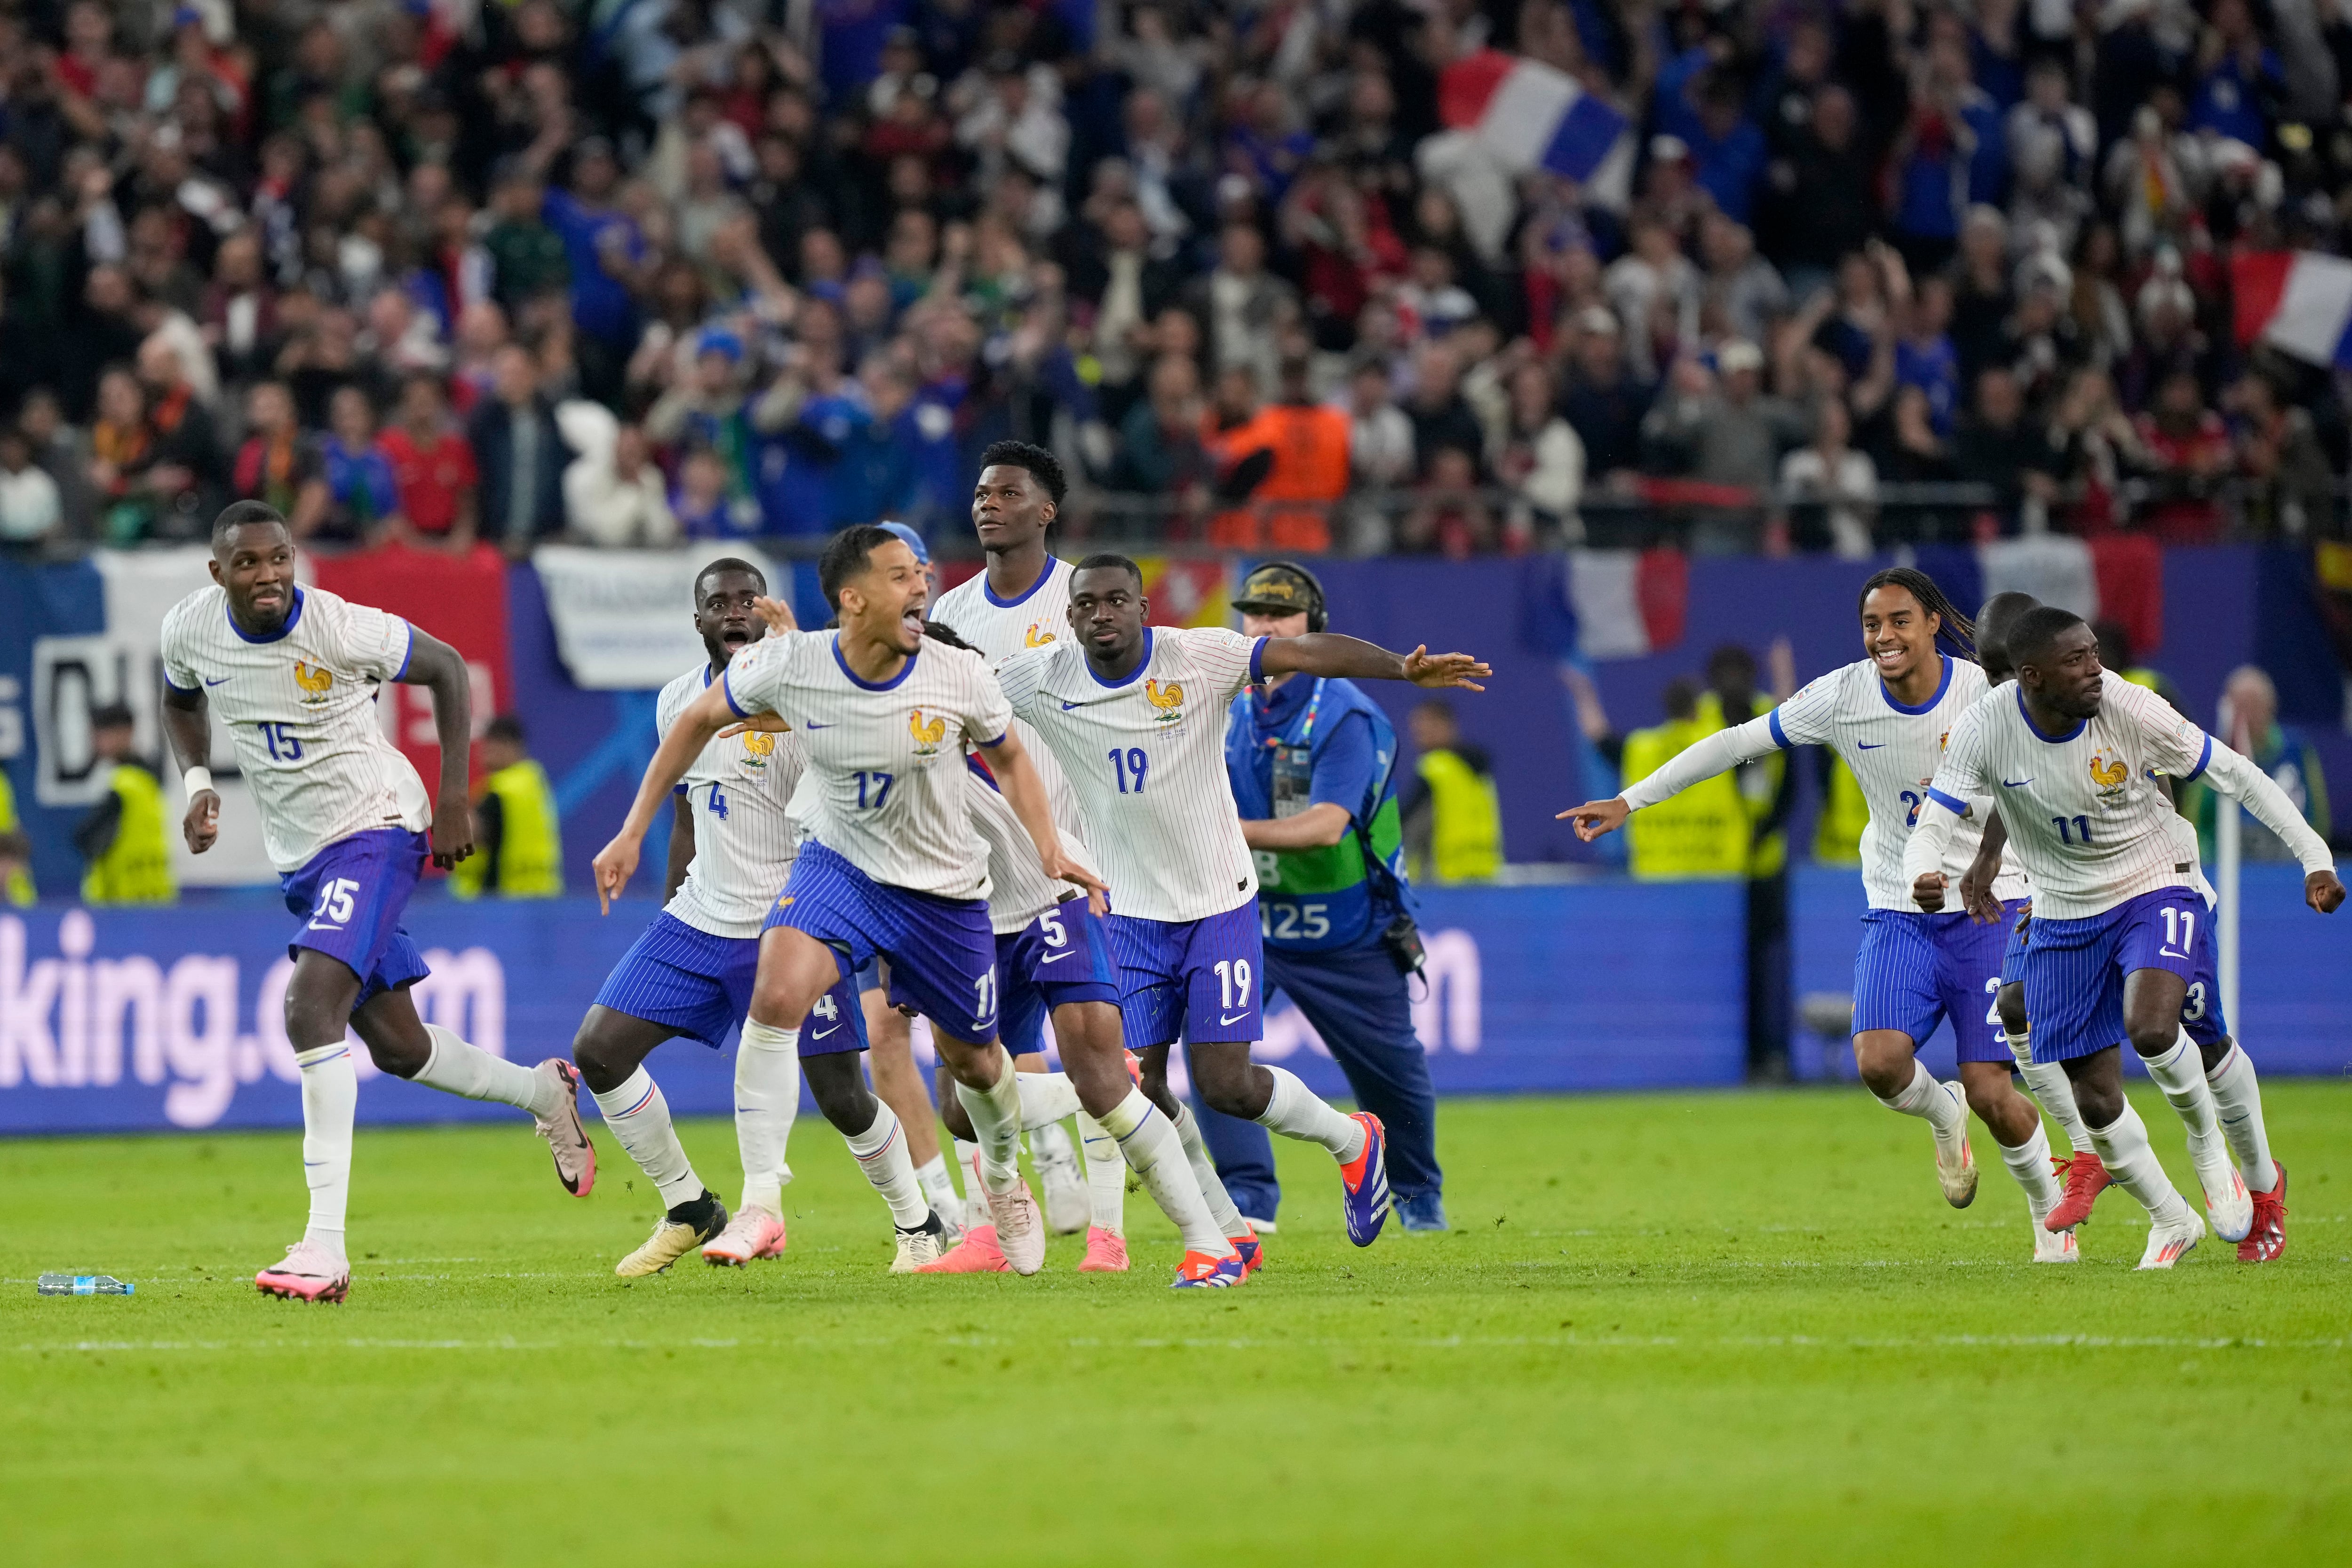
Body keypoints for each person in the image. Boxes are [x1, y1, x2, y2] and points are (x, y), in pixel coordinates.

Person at [589, 527, 1237, 1284]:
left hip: (950, 894)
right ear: (853, 597)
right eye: (903, 575)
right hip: (842, 869)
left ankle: (1003, 1181)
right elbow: (701, 720)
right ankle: (762, 1200)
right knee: (777, 992)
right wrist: (632, 830)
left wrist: (1053, 845)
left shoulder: (957, 674)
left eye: (921, 573)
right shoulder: (794, 663)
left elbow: (1013, 759)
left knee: (975, 1074)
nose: (922, 585)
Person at [1563, 569, 2077, 1260]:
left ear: (1932, 624)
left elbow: (2038, 782)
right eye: (1872, 625)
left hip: (1992, 904)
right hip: (1900, 905)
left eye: (1899, 621)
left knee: (1993, 1087)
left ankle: (2051, 1222)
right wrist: (1630, 800)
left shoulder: (1985, 694)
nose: (1884, 637)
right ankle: (1940, 1109)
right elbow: (1734, 743)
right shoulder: (1843, 695)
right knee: (1881, 1064)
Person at [159, 501, 596, 1304]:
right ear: (218, 573)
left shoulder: (338, 625)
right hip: (304, 857)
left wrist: (456, 794)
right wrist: (196, 783)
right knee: (400, 1047)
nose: (268, 576)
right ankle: (546, 1092)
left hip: (378, 826)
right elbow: (181, 698)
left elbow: (448, 666)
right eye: (248, 564)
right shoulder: (189, 628)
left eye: (279, 558)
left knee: (308, 1004)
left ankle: (323, 1245)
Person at [995, 553, 1490, 1250]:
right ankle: (1231, 1230)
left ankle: (1365, 1151)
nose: (1102, 614)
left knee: (1231, 1081)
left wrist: (1400, 668)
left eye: (1117, 600)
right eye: (1087, 604)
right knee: (1136, 1090)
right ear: (1068, 615)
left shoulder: (1201, 659)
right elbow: (949, 690)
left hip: (1232, 906)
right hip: (1134, 913)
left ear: (1144, 607)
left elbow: (1307, 657)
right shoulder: (1041, 677)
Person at [1905, 606, 2344, 1266]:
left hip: (2157, 879)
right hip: (2065, 905)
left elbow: (2235, 774)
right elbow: (1941, 815)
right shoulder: (1986, 725)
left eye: (2094, 654)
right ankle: (2142, 1191)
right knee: (2078, 1070)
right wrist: (1926, 869)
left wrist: (2315, 856)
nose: (2095, 670)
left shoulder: (2131, 706)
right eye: (2078, 660)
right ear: (2029, 676)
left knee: (2167, 1027)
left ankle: (2232, 1166)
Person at [566, 558, 868, 1275]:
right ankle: (690, 1206)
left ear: (770, 612)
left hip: (795, 919)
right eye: (718, 603)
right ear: (698, 621)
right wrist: (670, 902)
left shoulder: (815, 690)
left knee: (843, 1096)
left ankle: (920, 1220)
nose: (736, 612)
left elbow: (853, 800)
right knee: (600, 1050)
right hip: (701, 919)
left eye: (748, 599)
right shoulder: (679, 702)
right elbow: (686, 812)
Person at [927, 444, 1165, 1274]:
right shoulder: (948, 612)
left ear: (1047, 510)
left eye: (1010, 492)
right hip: (970, 878)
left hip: (1074, 865)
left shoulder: (1089, 602)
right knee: (965, 1091)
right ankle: (993, 1231)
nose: (989, 503)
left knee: (1083, 1051)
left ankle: (1109, 1234)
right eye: (983, 490)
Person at [1214, 561, 1450, 1233]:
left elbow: (1326, 828)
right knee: (1212, 1046)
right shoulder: (1226, 701)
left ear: (1312, 631)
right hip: (1250, 917)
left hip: (1348, 927)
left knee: (1391, 1074)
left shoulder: (1345, 713)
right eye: (1254, 614)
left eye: (1280, 616)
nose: (1264, 626)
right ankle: (1250, 1195)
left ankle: (1415, 1194)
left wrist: (1222, 829)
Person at [2193, 665, 2330, 863]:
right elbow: (2193, 824)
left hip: (2288, 870)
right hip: (2226, 870)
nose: (2247, 715)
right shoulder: (2212, 757)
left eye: (2254, 705)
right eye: (2239, 707)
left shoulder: (2297, 751)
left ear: (2271, 706)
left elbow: (2319, 819)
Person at [73, 702, 175, 906]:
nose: (97, 741)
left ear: (125, 732)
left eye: (102, 733)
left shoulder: (123, 785)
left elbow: (88, 839)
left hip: (120, 903)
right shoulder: (149, 780)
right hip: (155, 898)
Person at [449, 716, 563, 899]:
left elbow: (466, 833)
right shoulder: (533, 782)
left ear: (513, 747)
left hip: (503, 901)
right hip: (542, 895)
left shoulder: (503, 789)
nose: (487, 751)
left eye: (495, 744)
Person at [1401, 698, 1501, 885]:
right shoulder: (1479, 772)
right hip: (1484, 872)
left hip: (1441, 879)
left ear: (1447, 725)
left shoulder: (1435, 767)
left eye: (1425, 727)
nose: (1418, 734)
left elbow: (1408, 823)